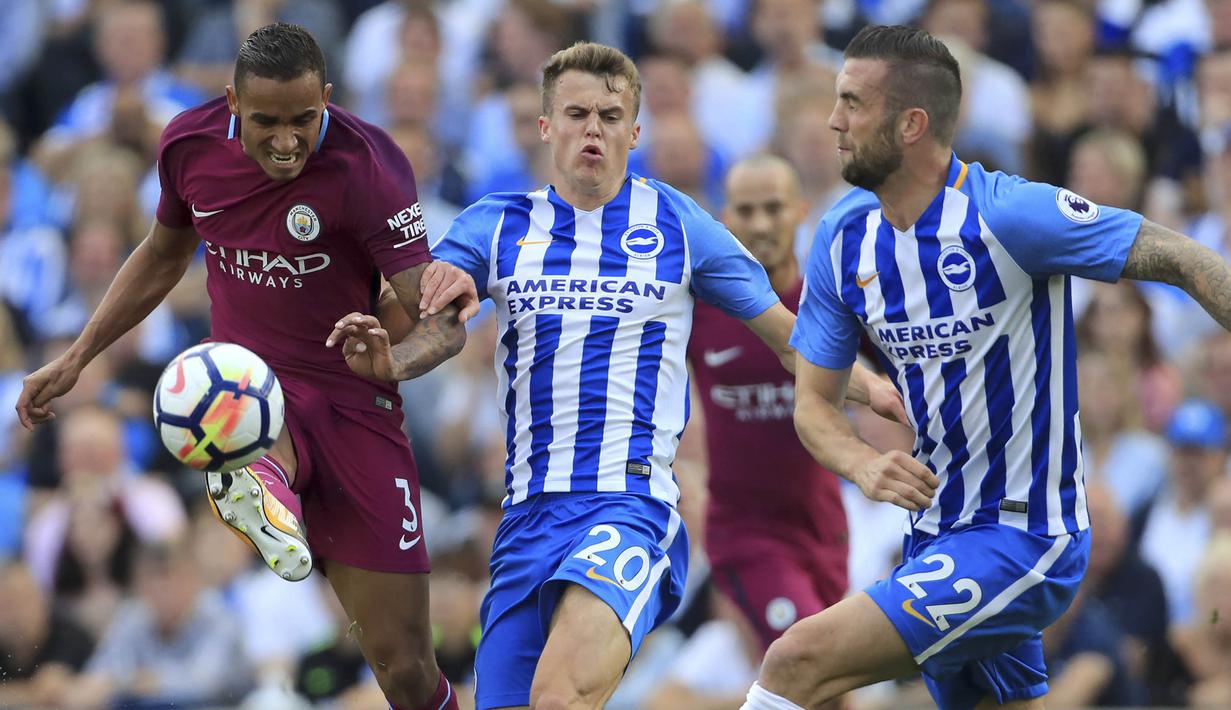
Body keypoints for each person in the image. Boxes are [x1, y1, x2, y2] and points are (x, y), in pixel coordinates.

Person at [329, 41, 905, 710]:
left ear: (635, 131)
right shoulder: (495, 225)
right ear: (546, 126)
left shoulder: (679, 226)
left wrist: (878, 390)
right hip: (526, 520)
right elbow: (440, 323)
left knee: (558, 695)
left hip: (629, 509)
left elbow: (787, 339)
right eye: (576, 113)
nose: (592, 129)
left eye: (610, 115)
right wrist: (393, 362)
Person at [741, 24, 1231, 710]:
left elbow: (1176, 255)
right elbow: (814, 404)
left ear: (911, 123)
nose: (833, 120)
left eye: (852, 102)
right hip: (936, 534)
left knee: (794, 661)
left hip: (1024, 538)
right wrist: (861, 464)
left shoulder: (1011, 216)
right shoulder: (841, 237)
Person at [15, 23, 479, 710]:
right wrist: (80, 355)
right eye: (266, 121)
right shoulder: (189, 145)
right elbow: (163, 253)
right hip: (248, 387)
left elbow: (438, 315)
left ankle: (263, 485)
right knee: (247, 402)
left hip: (355, 408)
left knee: (406, 670)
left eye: (303, 119)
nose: (286, 141)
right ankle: (258, 478)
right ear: (231, 100)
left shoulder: (369, 166)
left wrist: (394, 361)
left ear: (326, 96)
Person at [686, 154, 850, 653]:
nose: (760, 224)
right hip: (746, 533)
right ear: (725, 218)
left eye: (773, 208)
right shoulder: (697, 310)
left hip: (824, 528)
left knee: (828, 685)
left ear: (802, 210)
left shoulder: (835, 303)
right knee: (806, 656)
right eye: (746, 210)